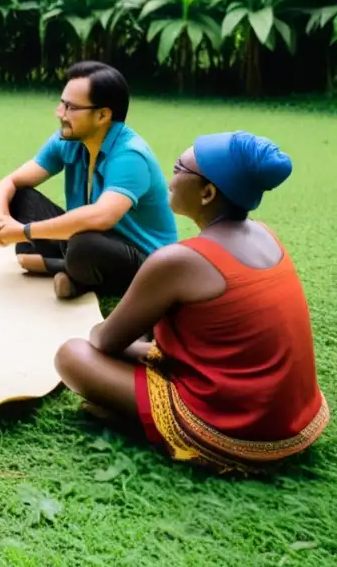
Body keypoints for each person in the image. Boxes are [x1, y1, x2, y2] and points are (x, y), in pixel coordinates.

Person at [54, 132, 329, 474]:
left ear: (207, 193)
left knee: (72, 355)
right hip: (295, 422)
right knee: (146, 338)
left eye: (178, 169)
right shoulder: (266, 234)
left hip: (233, 425)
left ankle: (151, 427)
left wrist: (122, 340)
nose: (169, 180)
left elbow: (104, 342)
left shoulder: (179, 261)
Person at [0, 61, 177, 298]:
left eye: (71, 107)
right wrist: (3, 220)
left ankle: (62, 268)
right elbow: (11, 182)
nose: (60, 113)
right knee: (6, 202)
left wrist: (24, 232)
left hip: (142, 259)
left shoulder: (130, 155)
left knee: (84, 247)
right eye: (62, 104)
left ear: (103, 115)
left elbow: (102, 216)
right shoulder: (68, 140)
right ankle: (70, 269)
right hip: (84, 237)